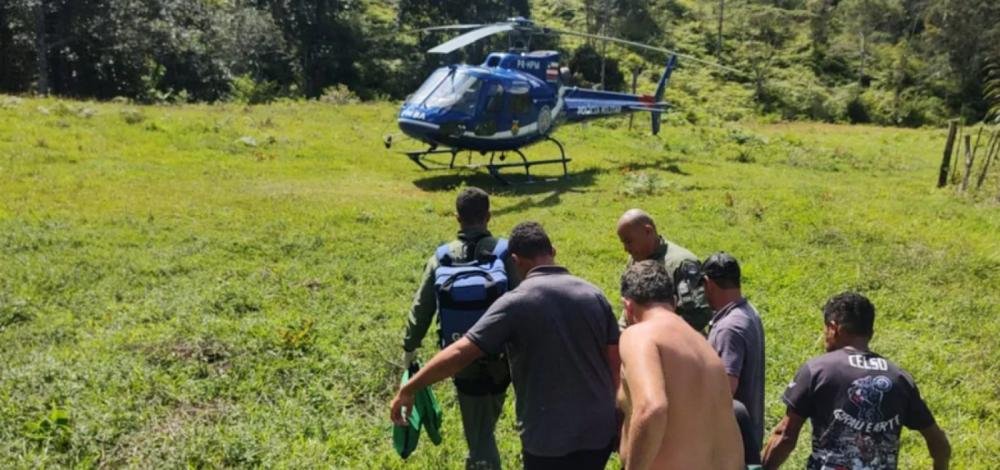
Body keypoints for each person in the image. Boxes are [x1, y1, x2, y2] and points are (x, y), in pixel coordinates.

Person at [391, 221, 621, 470]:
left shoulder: (514, 304)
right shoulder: (594, 295)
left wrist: (409, 388)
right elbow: (615, 366)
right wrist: (620, 421)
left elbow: (460, 353)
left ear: (515, 260)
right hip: (598, 432)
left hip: (547, 436)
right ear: (553, 250)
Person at [762, 292, 951, 470]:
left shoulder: (818, 370)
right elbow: (939, 443)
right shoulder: (899, 378)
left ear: (833, 328)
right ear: (871, 332)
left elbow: (785, 436)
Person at [400, 187, 517, 470]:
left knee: (479, 430)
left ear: (457, 217)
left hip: (459, 354)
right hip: (502, 355)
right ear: (488, 216)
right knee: (483, 422)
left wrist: (410, 347)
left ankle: (480, 461)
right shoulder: (505, 253)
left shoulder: (442, 256)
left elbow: (422, 306)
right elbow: (524, 300)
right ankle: (479, 458)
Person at [617, 260, 744, 470]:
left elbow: (652, 408)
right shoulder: (702, 344)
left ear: (628, 307)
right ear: (674, 302)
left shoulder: (640, 335)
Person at [703, 252, 766, 462]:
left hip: (730, 440)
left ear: (708, 284)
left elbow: (726, 388)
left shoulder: (729, 327)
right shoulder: (748, 312)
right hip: (747, 431)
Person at [616, 208, 712, 332]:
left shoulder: (681, 263)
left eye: (629, 242)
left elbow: (699, 313)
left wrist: (660, 333)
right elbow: (629, 303)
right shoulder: (635, 258)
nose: (626, 249)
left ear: (648, 231)